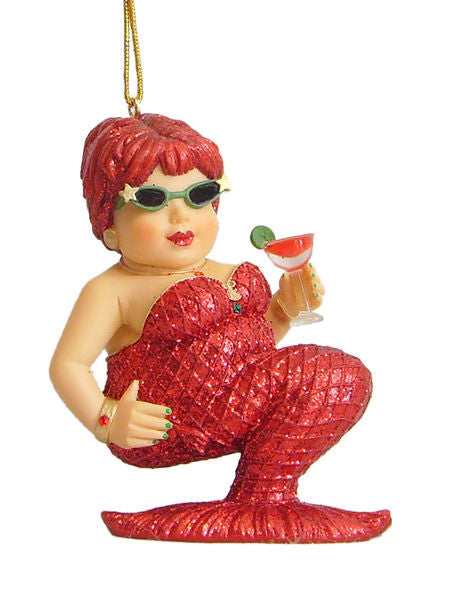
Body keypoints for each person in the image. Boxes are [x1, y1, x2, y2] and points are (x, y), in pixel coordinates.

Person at [49, 113, 391, 542]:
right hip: (162, 427)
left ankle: (264, 496)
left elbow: (245, 354)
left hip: (233, 408)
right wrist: (108, 418)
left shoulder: (225, 270)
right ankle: (259, 501)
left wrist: (284, 311)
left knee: (339, 377)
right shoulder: (113, 289)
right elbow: (68, 365)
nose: (180, 216)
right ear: (109, 223)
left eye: (199, 195)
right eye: (152, 199)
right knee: (328, 371)